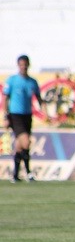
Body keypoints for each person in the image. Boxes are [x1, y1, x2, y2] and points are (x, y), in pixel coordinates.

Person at [2, 55, 47, 183]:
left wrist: (45, 112)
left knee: (19, 145)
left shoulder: (32, 82)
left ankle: (16, 175)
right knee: (26, 142)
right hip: (15, 115)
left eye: (25, 64)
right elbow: (5, 98)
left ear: (28, 65)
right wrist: (5, 116)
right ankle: (28, 172)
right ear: (18, 65)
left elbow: (38, 98)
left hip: (27, 115)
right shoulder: (12, 80)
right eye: (21, 64)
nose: (23, 67)